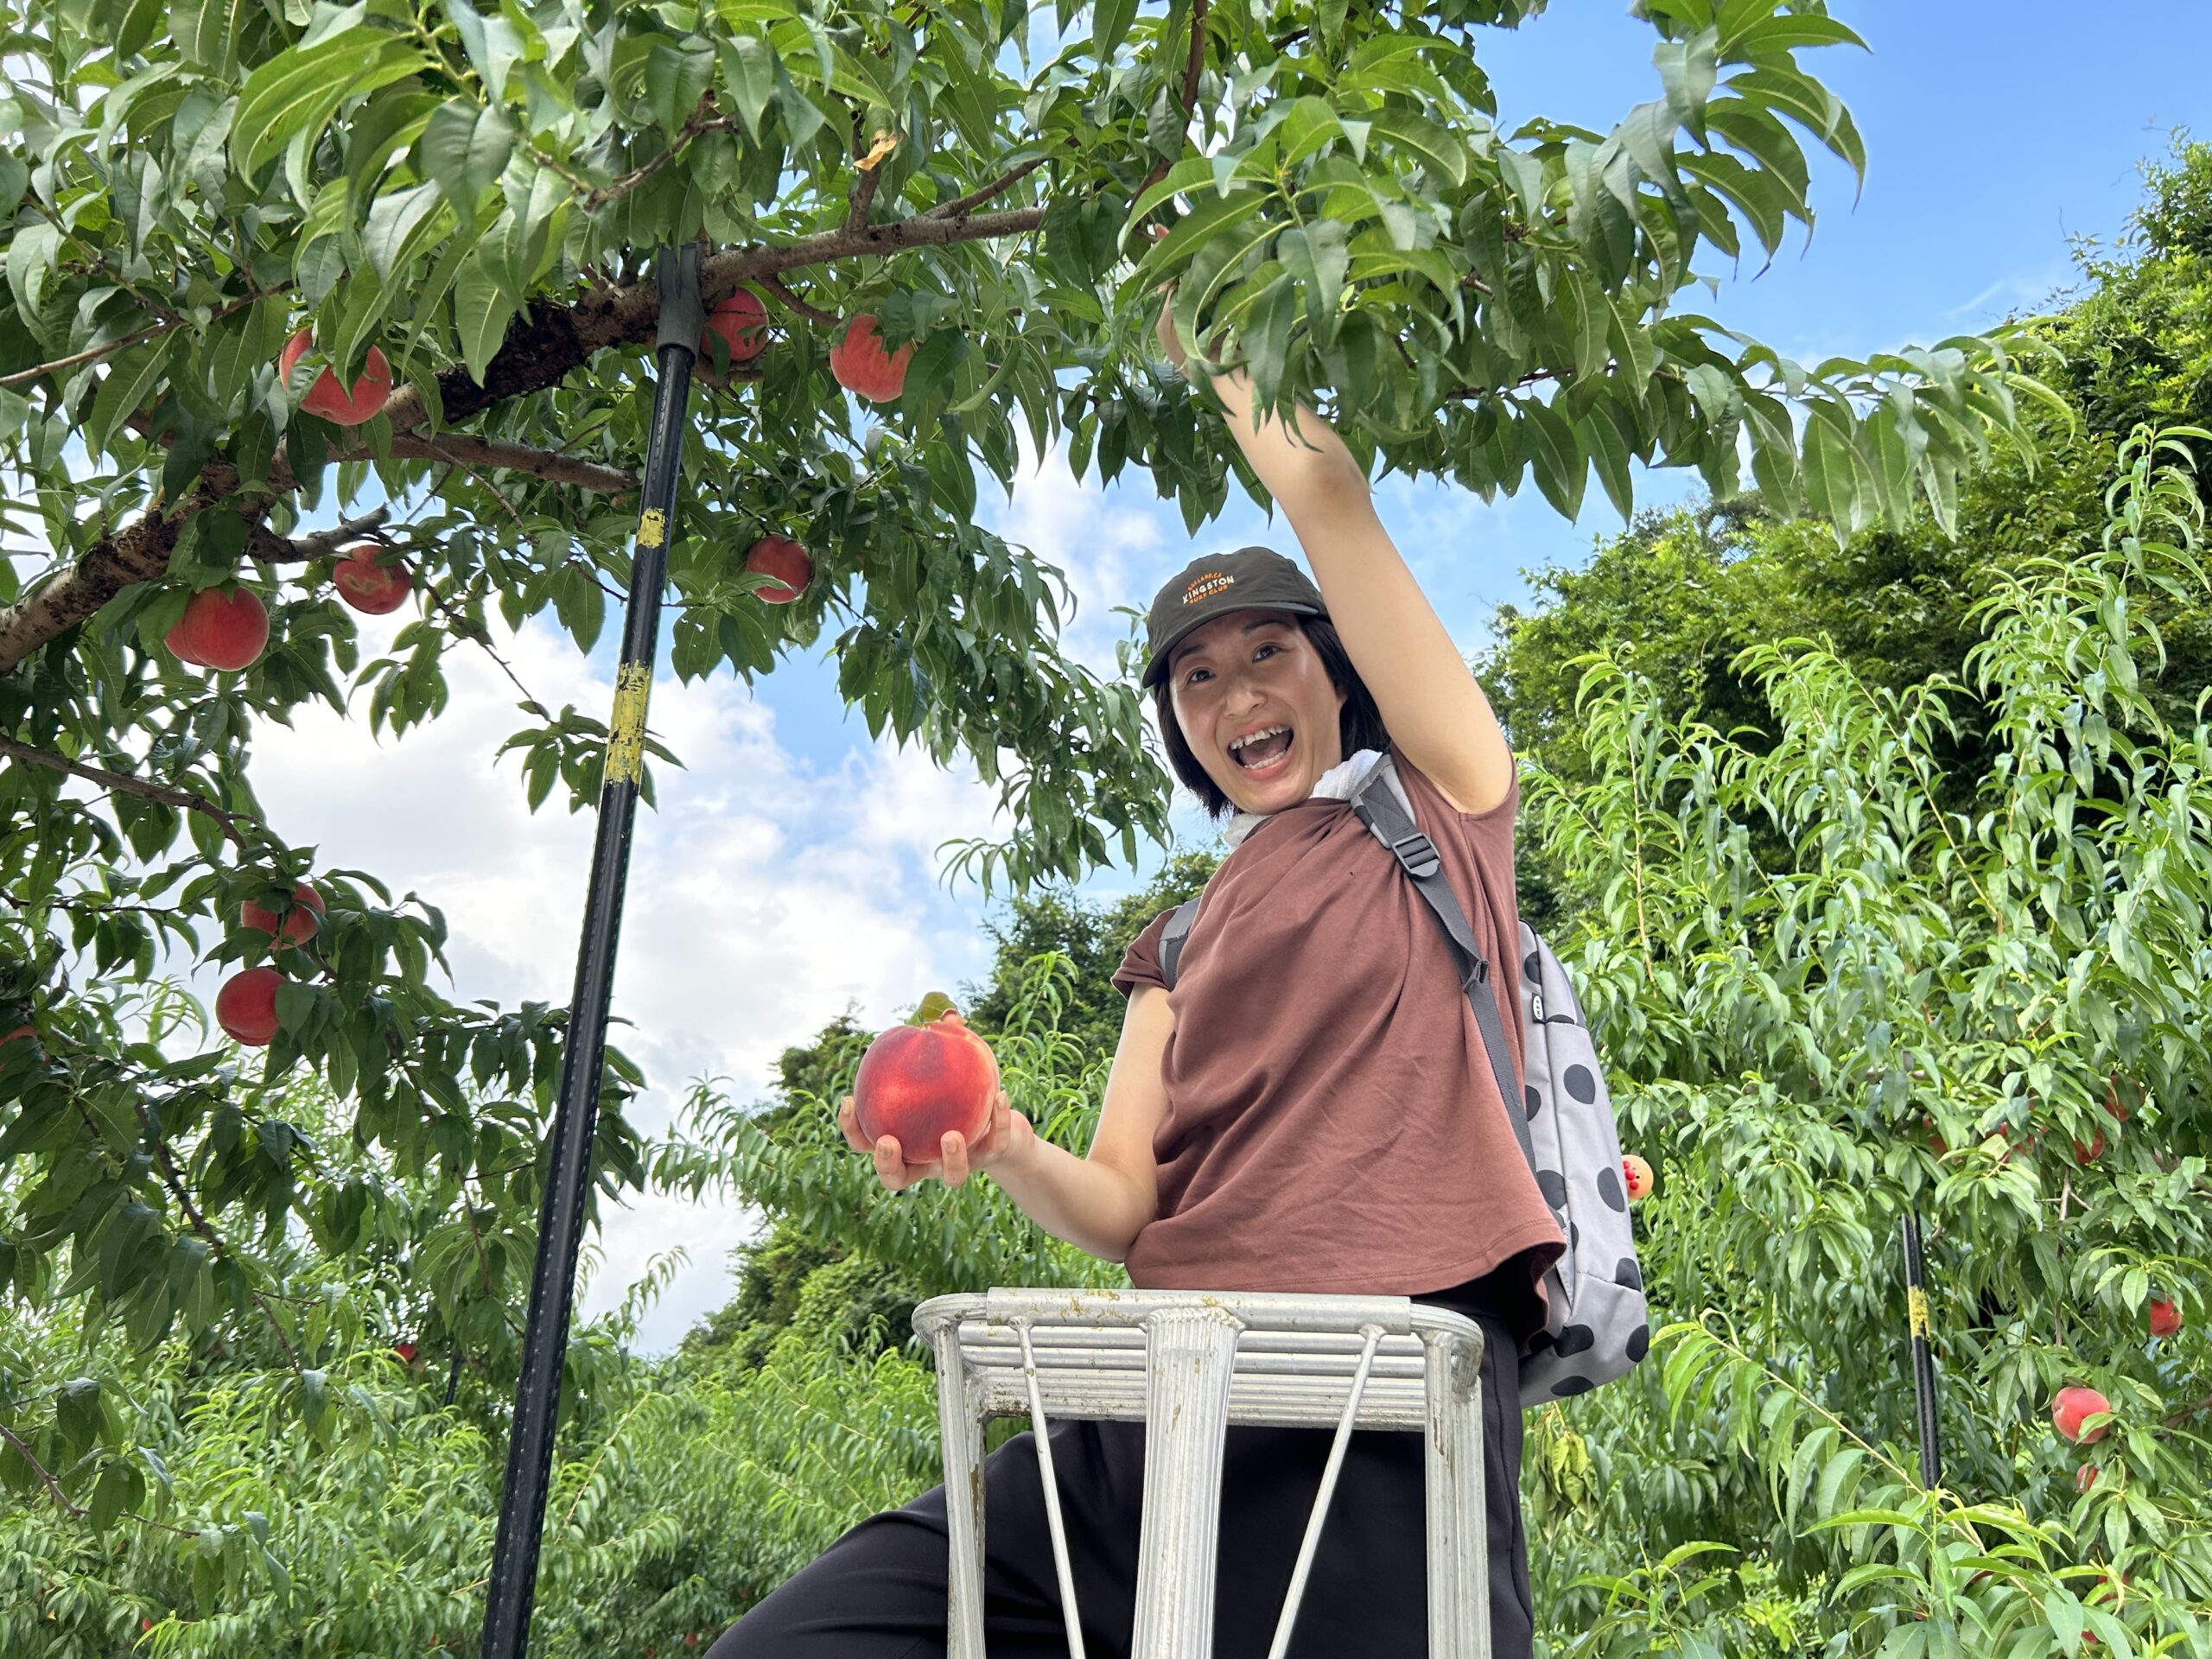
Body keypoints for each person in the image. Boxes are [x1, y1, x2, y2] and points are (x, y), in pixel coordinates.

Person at [707, 299, 1563, 1659]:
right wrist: (1000, 1145)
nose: (1235, 698)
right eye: (1196, 680)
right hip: (1155, 1406)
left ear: (1332, 672)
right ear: (1179, 728)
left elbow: (1328, 497)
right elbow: (1125, 1205)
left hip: (1375, 1395)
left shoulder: (1438, 808)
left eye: (1268, 653)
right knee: (794, 1645)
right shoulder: (1175, 938)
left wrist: (1223, 346)